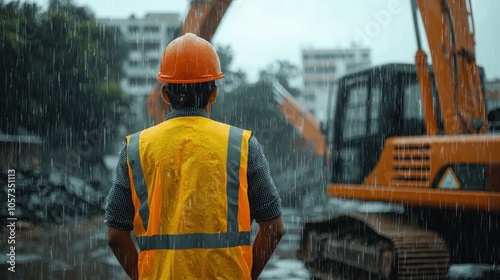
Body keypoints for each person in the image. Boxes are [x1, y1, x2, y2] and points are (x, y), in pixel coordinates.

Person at [105, 33, 285, 280]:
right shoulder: (243, 146)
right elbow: (274, 228)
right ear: (214, 93)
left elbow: (115, 235)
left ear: (166, 94)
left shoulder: (135, 149)